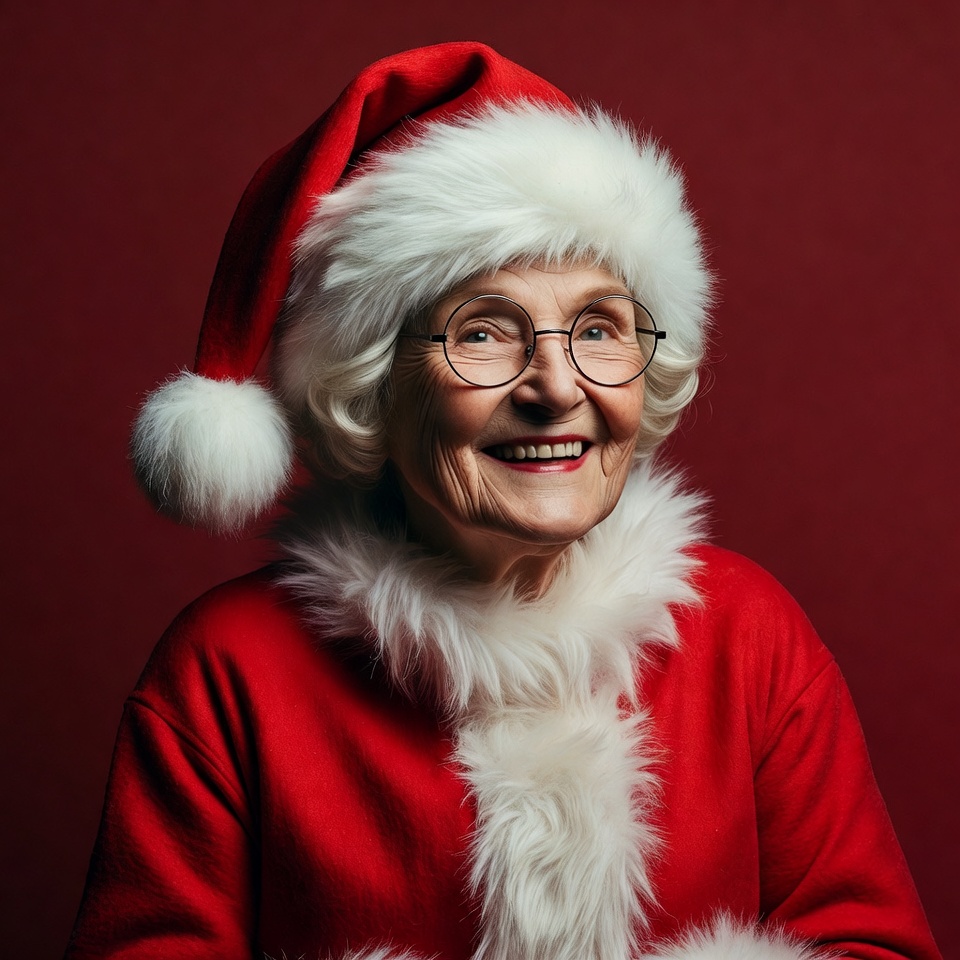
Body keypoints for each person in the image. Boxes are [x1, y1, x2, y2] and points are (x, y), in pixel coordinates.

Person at [64, 42, 940, 960]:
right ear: (370, 388)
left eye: (600, 327)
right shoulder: (223, 673)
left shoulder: (752, 637)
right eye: (484, 331)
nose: (557, 388)